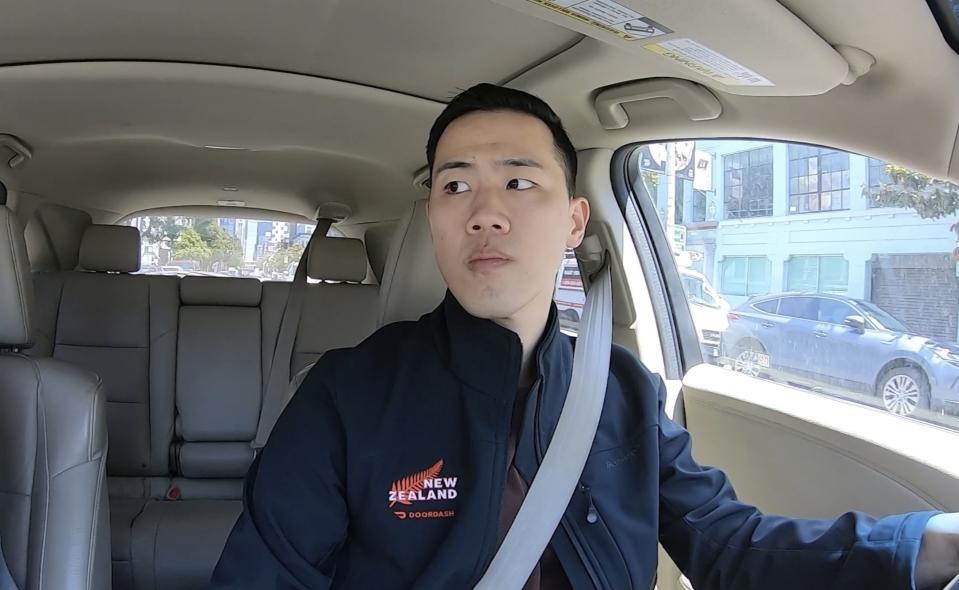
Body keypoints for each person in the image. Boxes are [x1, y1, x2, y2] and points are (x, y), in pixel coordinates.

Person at [210, 83, 959, 589]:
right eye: (454, 184)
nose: (485, 211)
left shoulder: (623, 393)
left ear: (574, 221)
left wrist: (927, 546)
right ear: (434, 218)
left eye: (518, 180)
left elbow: (730, 545)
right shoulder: (345, 395)